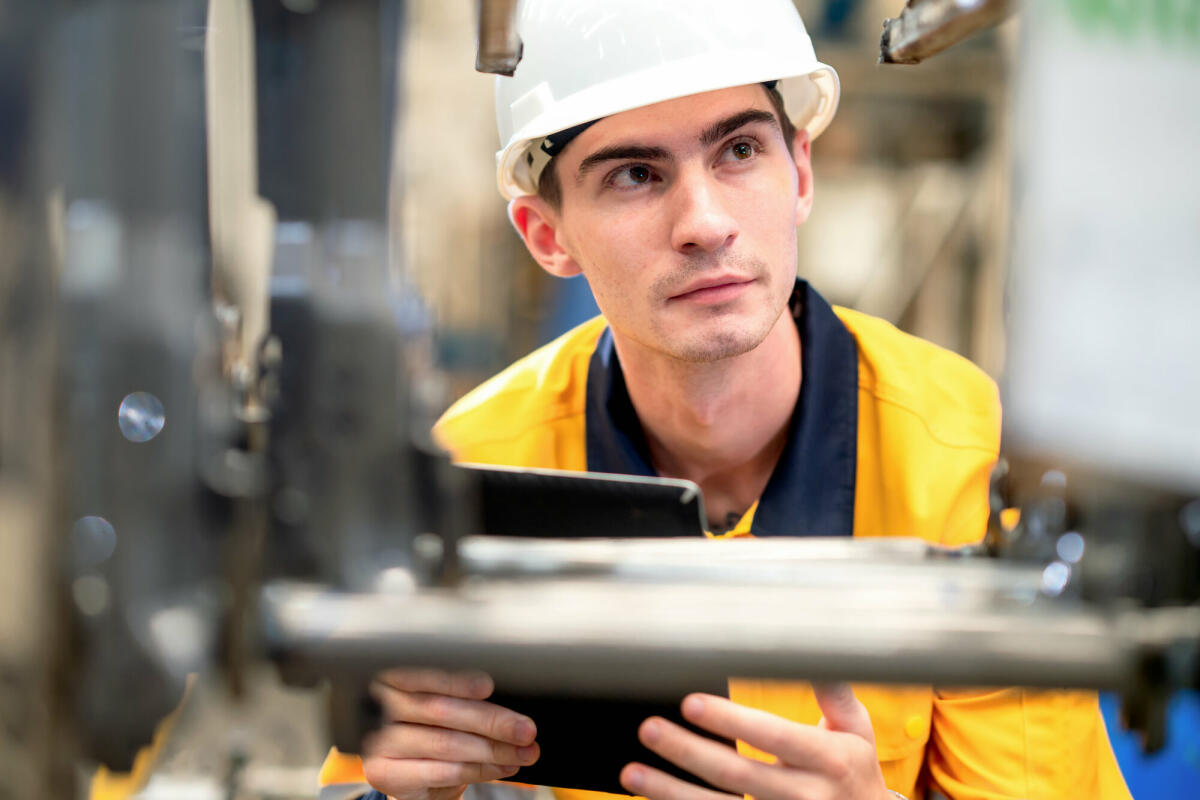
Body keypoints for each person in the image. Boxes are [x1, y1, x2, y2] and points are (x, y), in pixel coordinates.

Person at [319, 1, 1132, 799]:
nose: (704, 222)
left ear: (801, 172)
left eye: (739, 150)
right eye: (636, 174)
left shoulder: (964, 451)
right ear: (546, 234)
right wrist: (399, 793)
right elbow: (372, 772)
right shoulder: (477, 463)